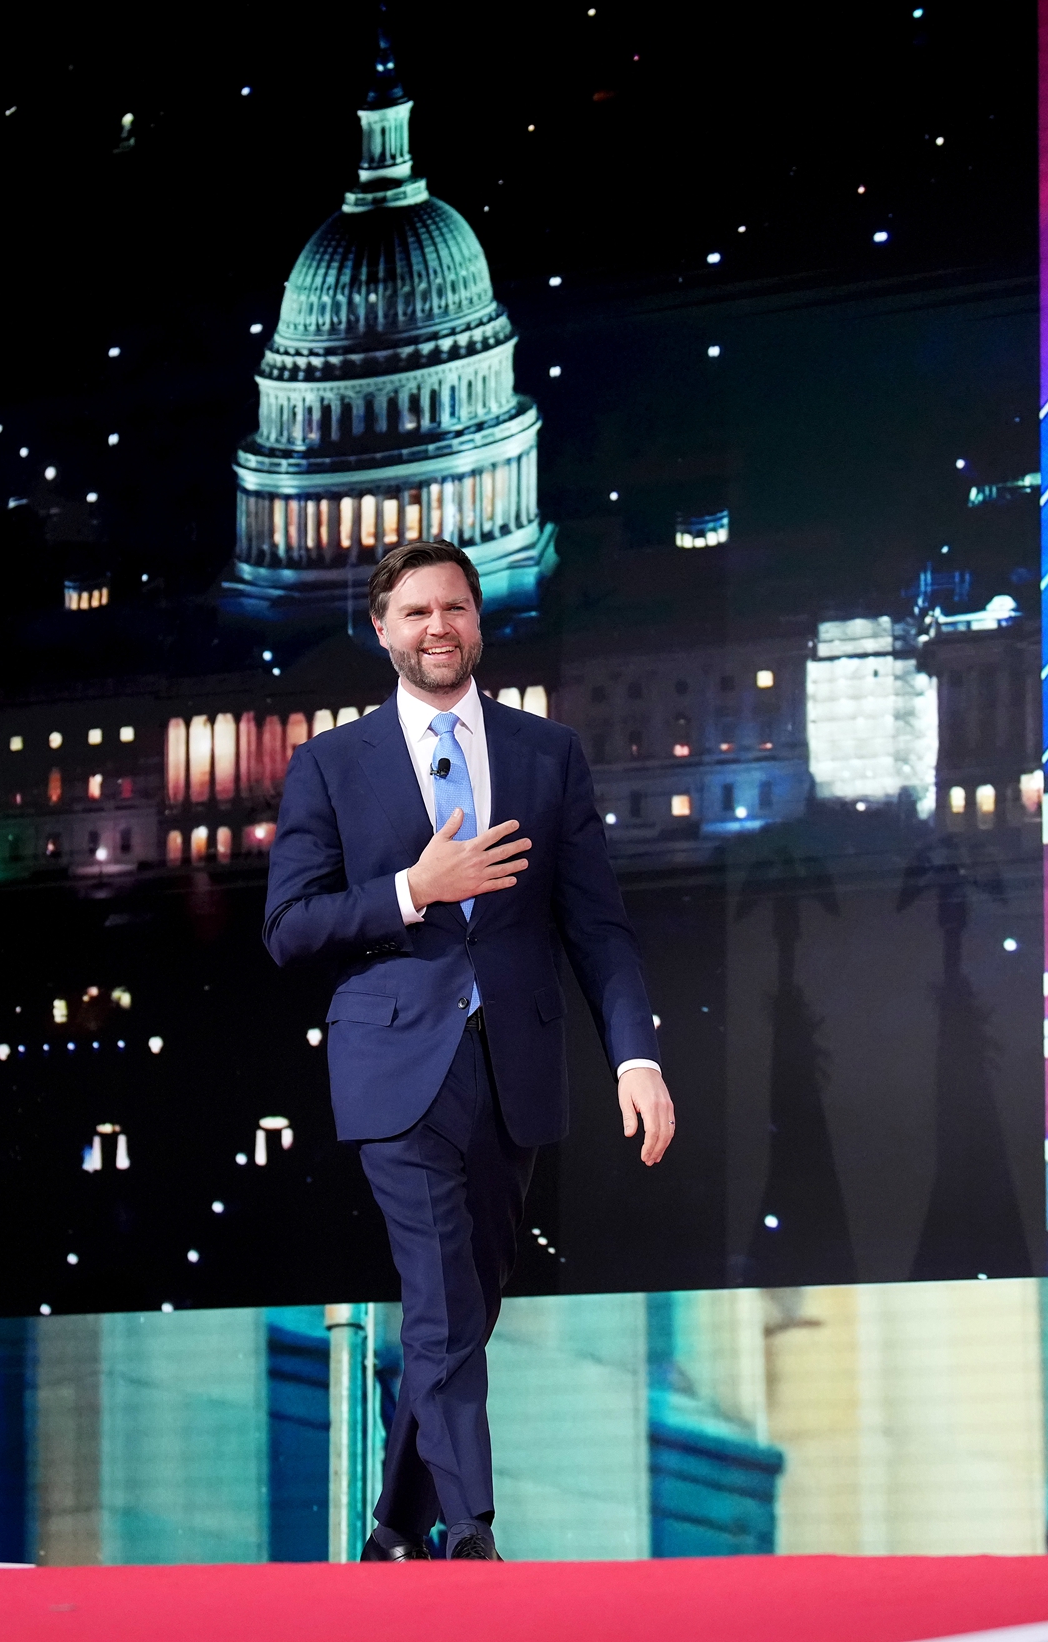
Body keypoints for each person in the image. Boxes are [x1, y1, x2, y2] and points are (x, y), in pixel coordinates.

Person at [264, 541, 676, 1562]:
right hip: (396, 1068)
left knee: (464, 1303)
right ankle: (470, 1526)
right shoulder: (331, 762)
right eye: (415, 612)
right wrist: (415, 888)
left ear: (479, 622)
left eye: (453, 607)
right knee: (443, 1291)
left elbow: (599, 927)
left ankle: (394, 1525)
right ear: (382, 630)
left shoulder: (548, 753)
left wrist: (636, 1057)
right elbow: (290, 926)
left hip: (514, 1068)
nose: (437, 626)